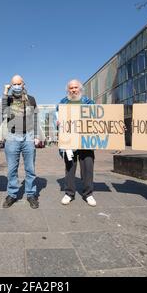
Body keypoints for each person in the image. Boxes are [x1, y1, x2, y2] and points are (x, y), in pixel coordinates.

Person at [1, 75, 41, 209]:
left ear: (23, 84)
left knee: (30, 168)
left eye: (19, 84)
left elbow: (35, 118)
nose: (17, 86)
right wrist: (5, 92)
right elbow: (3, 112)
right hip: (12, 136)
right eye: (14, 84)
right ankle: (12, 194)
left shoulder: (31, 99)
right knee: (12, 169)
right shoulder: (9, 99)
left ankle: (31, 194)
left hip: (28, 136)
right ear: (11, 86)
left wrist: (36, 135)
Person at [57, 79, 97, 207]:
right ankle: (69, 193)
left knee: (88, 167)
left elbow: (98, 119)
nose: (73, 90)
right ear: (67, 90)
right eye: (71, 88)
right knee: (70, 167)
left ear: (80, 89)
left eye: (75, 87)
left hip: (86, 140)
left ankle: (88, 194)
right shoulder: (62, 103)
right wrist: (57, 123)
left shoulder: (89, 102)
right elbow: (56, 119)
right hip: (69, 140)